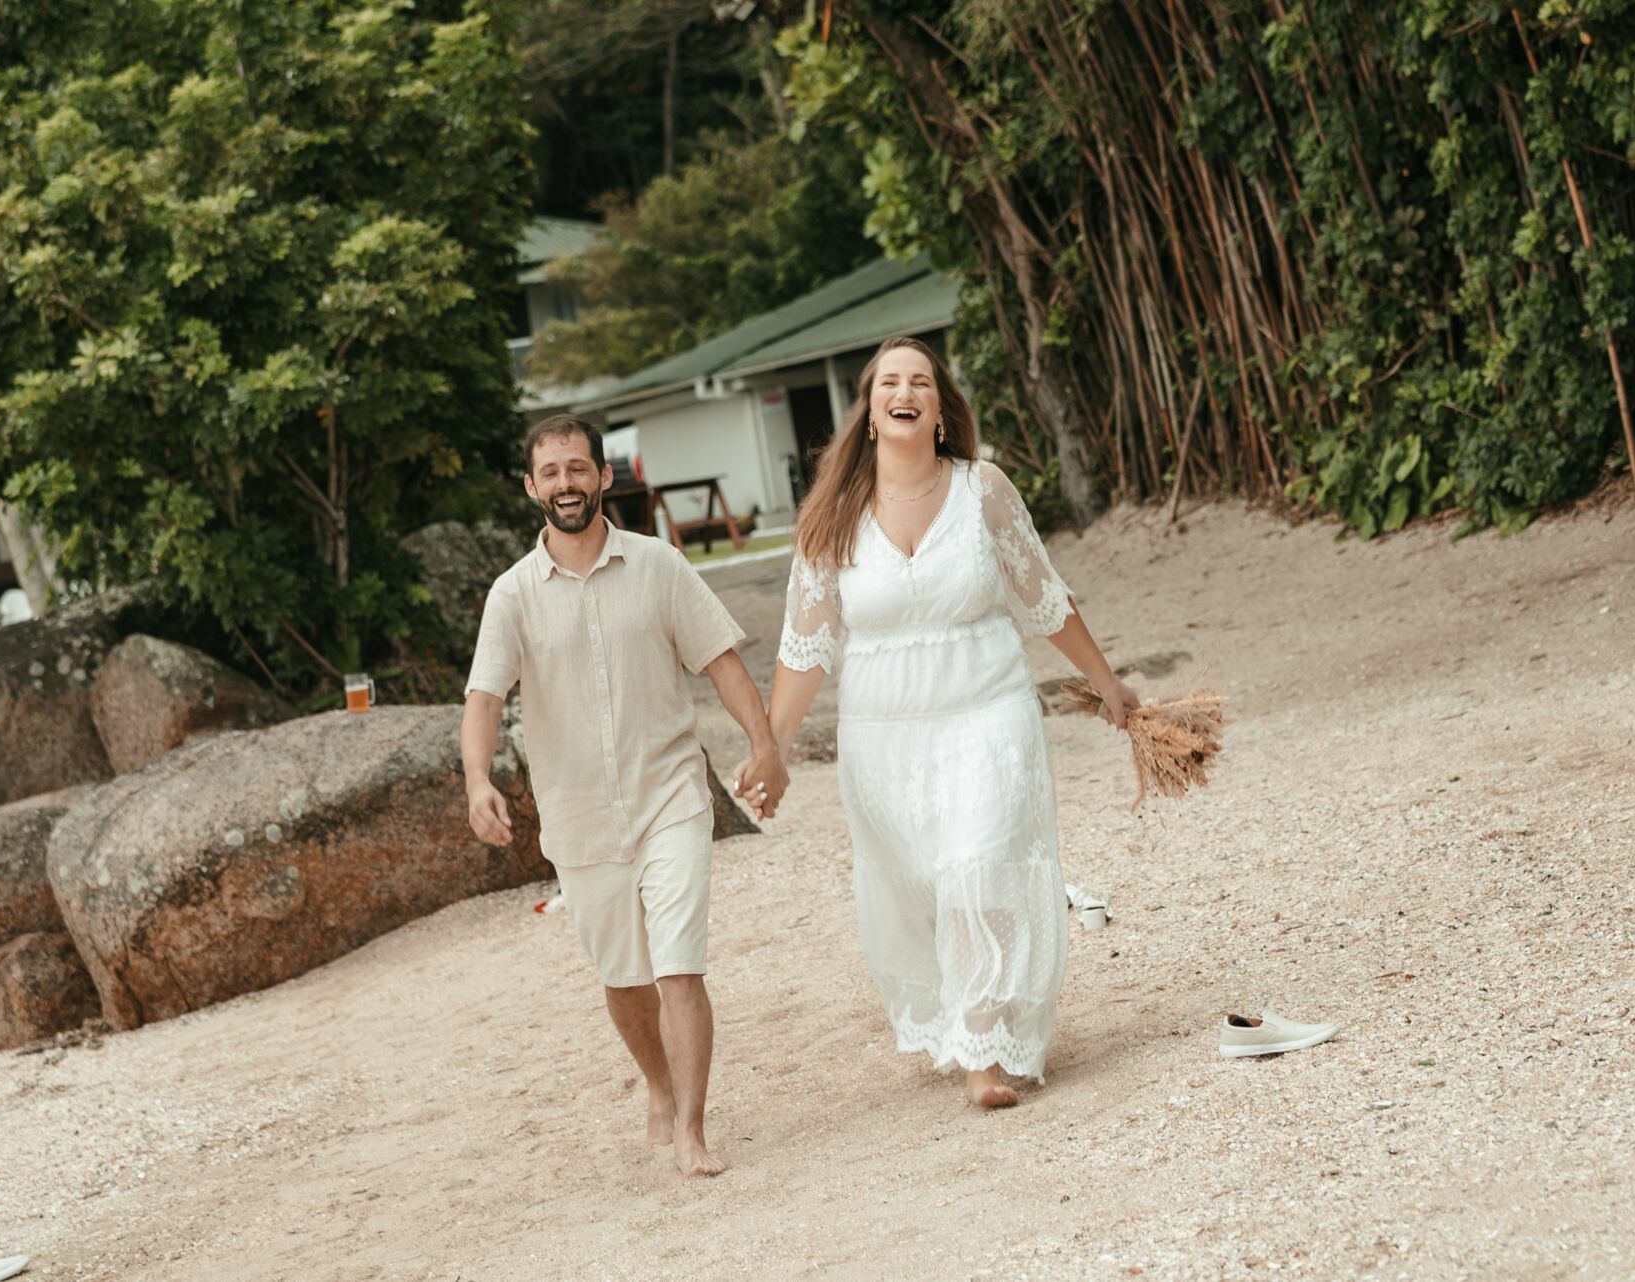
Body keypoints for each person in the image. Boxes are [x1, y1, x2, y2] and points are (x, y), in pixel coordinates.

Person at [745, 337, 1138, 1108]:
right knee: (922, 889)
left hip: (988, 707)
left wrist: (1107, 682)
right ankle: (977, 1023)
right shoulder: (831, 517)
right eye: (889, 382)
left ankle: (982, 1054)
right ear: (868, 413)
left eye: (920, 381)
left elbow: (1042, 596)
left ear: (939, 409)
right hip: (885, 735)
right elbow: (806, 644)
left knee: (976, 867)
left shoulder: (982, 489)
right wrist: (773, 749)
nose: (906, 391)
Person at [462, 414, 788, 1176]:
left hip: (668, 791)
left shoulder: (659, 566)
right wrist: (477, 780)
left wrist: (765, 744)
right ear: (530, 487)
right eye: (551, 473)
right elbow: (483, 698)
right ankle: (658, 1083)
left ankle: (693, 1131)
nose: (566, 483)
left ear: (605, 477)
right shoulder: (511, 595)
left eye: (579, 468)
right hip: (577, 812)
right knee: (624, 975)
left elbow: (721, 661)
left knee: (678, 965)